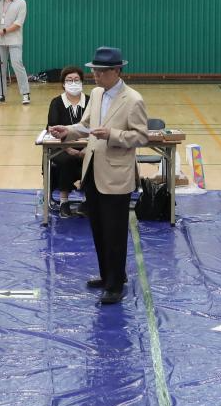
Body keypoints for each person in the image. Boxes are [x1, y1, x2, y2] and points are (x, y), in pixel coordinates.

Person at [49, 47, 148, 305]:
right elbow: (85, 126)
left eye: (101, 72)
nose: (95, 76)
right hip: (92, 170)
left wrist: (112, 135)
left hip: (116, 174)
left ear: (116, 71)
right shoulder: (95, 94)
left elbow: (141, 136)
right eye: (94, 71)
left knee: (115, 231)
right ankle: (107, 276)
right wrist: (67, 131)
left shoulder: (133, 100)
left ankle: (115, 285)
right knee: (99, 229)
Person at [46, 66, 89, 218]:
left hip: (87, 147)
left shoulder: (90, 101)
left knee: (95, 158)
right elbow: (52, 129)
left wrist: (85, 150)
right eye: (69, 80)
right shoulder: (56, 102)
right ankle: (64, 202)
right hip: (61, 148)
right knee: (68, 160)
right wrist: (69, 149)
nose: (73, 83)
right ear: (63, 84)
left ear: (82, 82)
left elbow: (96, 126)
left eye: (76, 80)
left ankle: (87, 200)